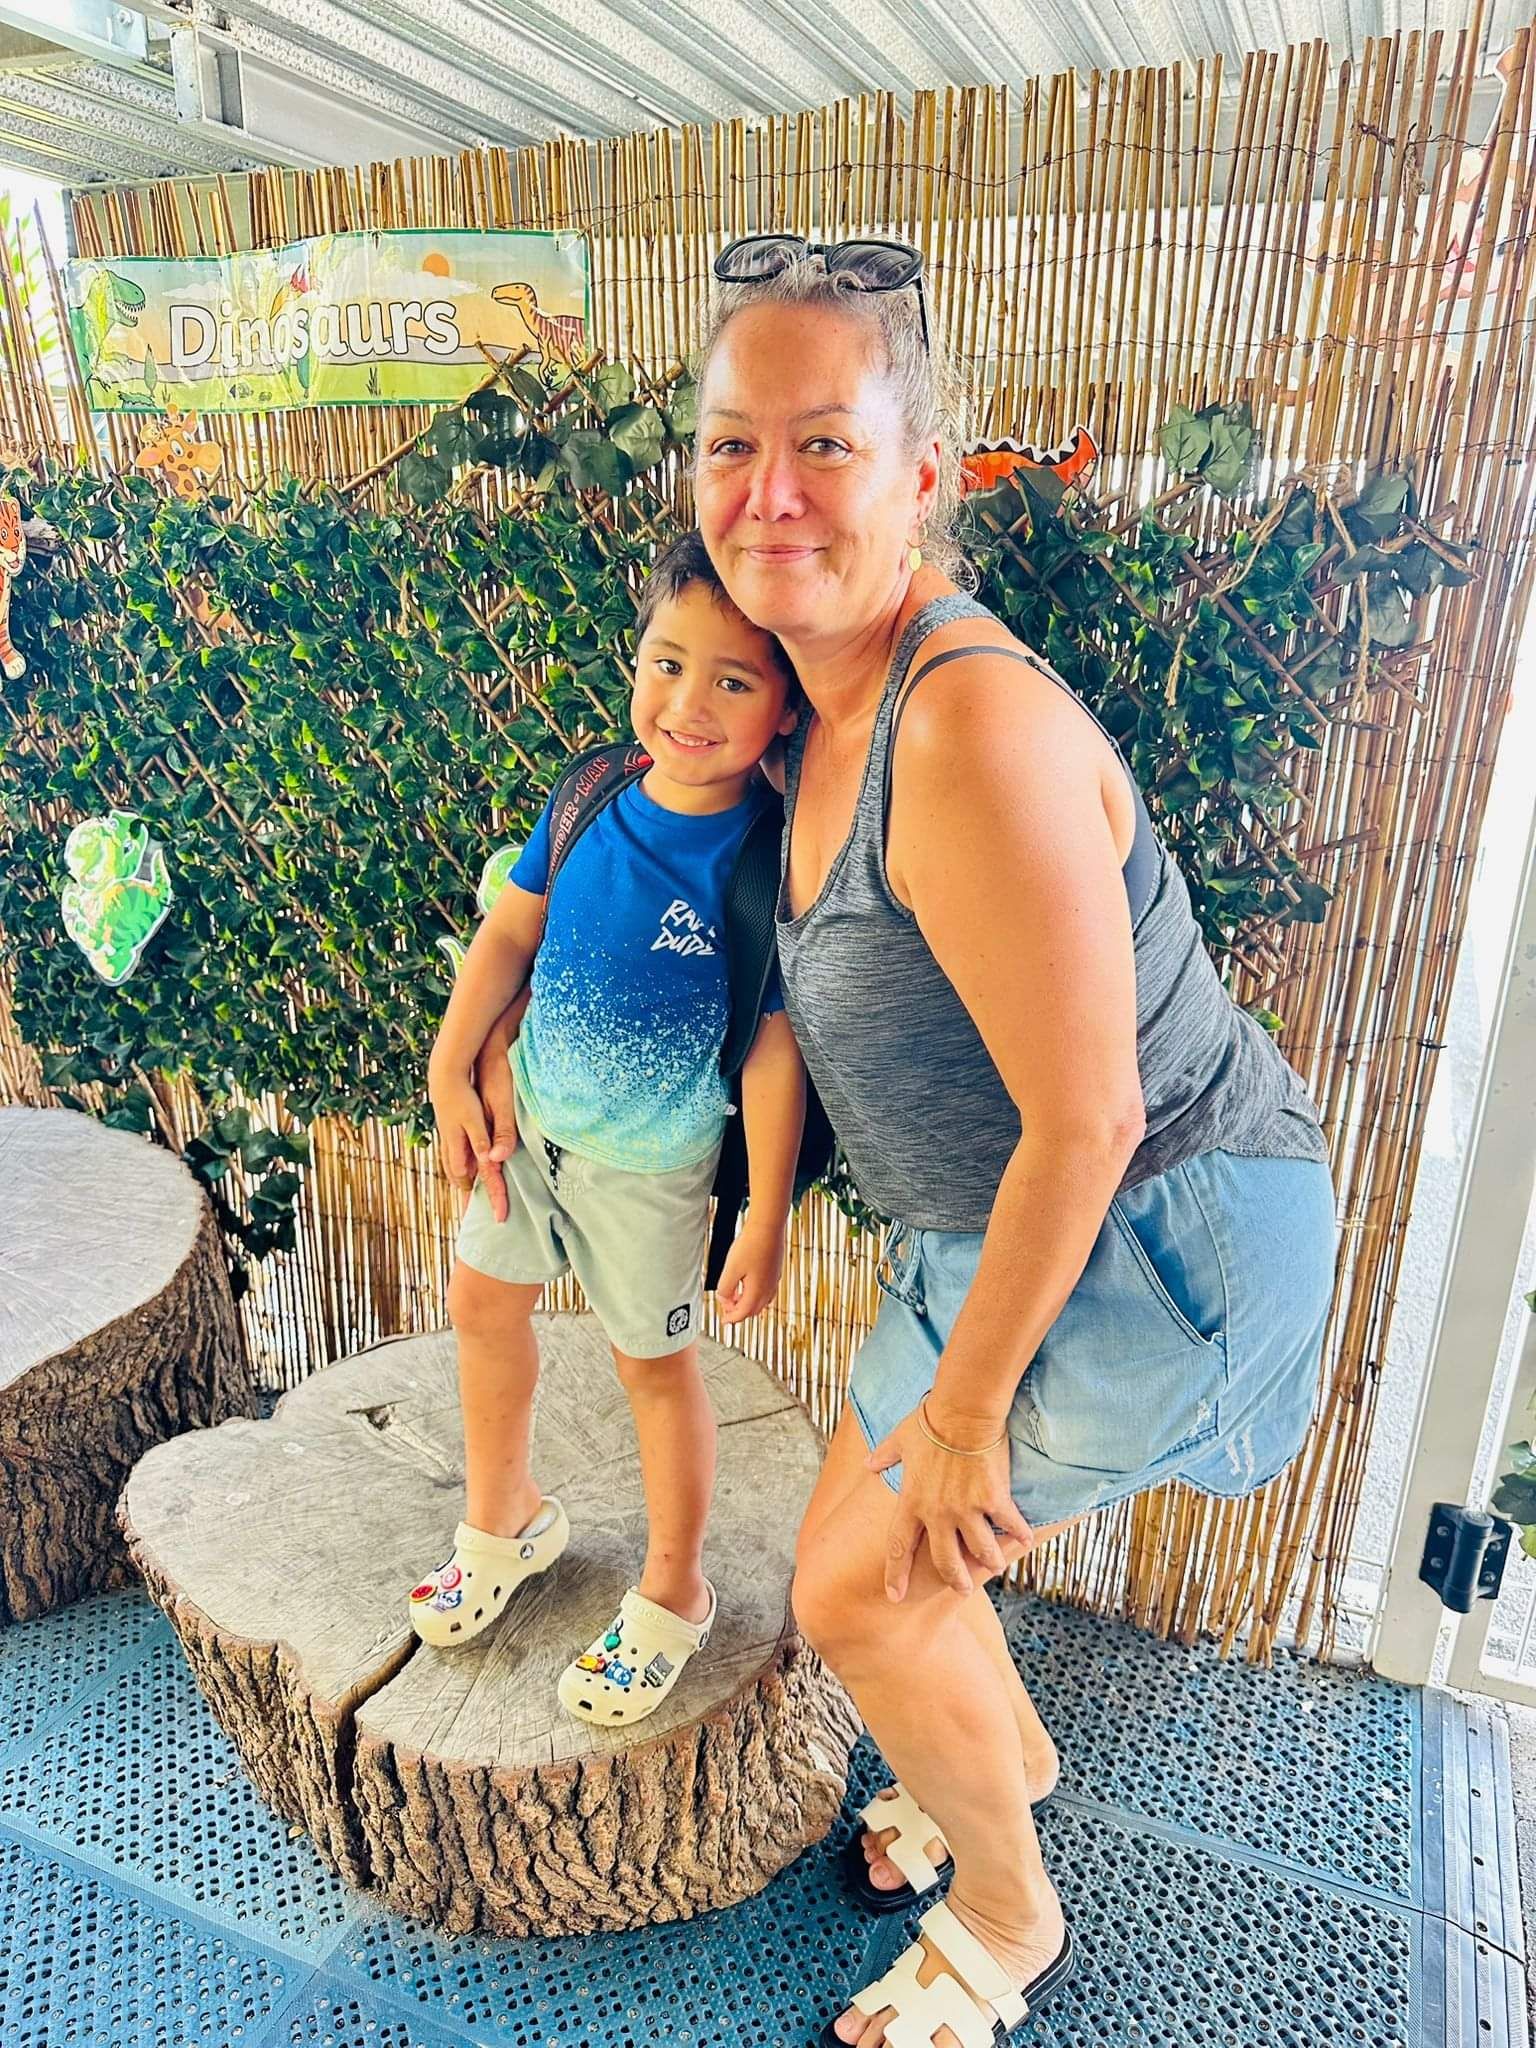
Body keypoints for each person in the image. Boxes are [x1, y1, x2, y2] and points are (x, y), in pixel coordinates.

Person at [469, 242, 1337, 2046]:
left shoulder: (963, 726)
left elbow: (1091, 1114)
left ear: (924, 472)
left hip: (1158, 1231)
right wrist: (492, 1046)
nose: (767, 493)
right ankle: (991, 1770)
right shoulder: (805, 706)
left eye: (826, 444)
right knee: (880, 1567)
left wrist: (961, 1417)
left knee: (864, 1584)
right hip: (995, 1227)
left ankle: (1011, 1914)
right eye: (730, 444)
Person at [417, 530, 805, 1729]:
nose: (689, 703)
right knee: (482, 1303)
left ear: (786, 706)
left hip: (651, 1171)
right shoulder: (587, 796)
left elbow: (773, 1050)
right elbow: (509, 933)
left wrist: (766, 1212)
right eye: (667, 663)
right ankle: (505, 1518)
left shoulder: (764, 861)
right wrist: (449, 1063)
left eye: (733, 679)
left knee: (654, 1369)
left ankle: (674, 1588)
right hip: (528, 1128)